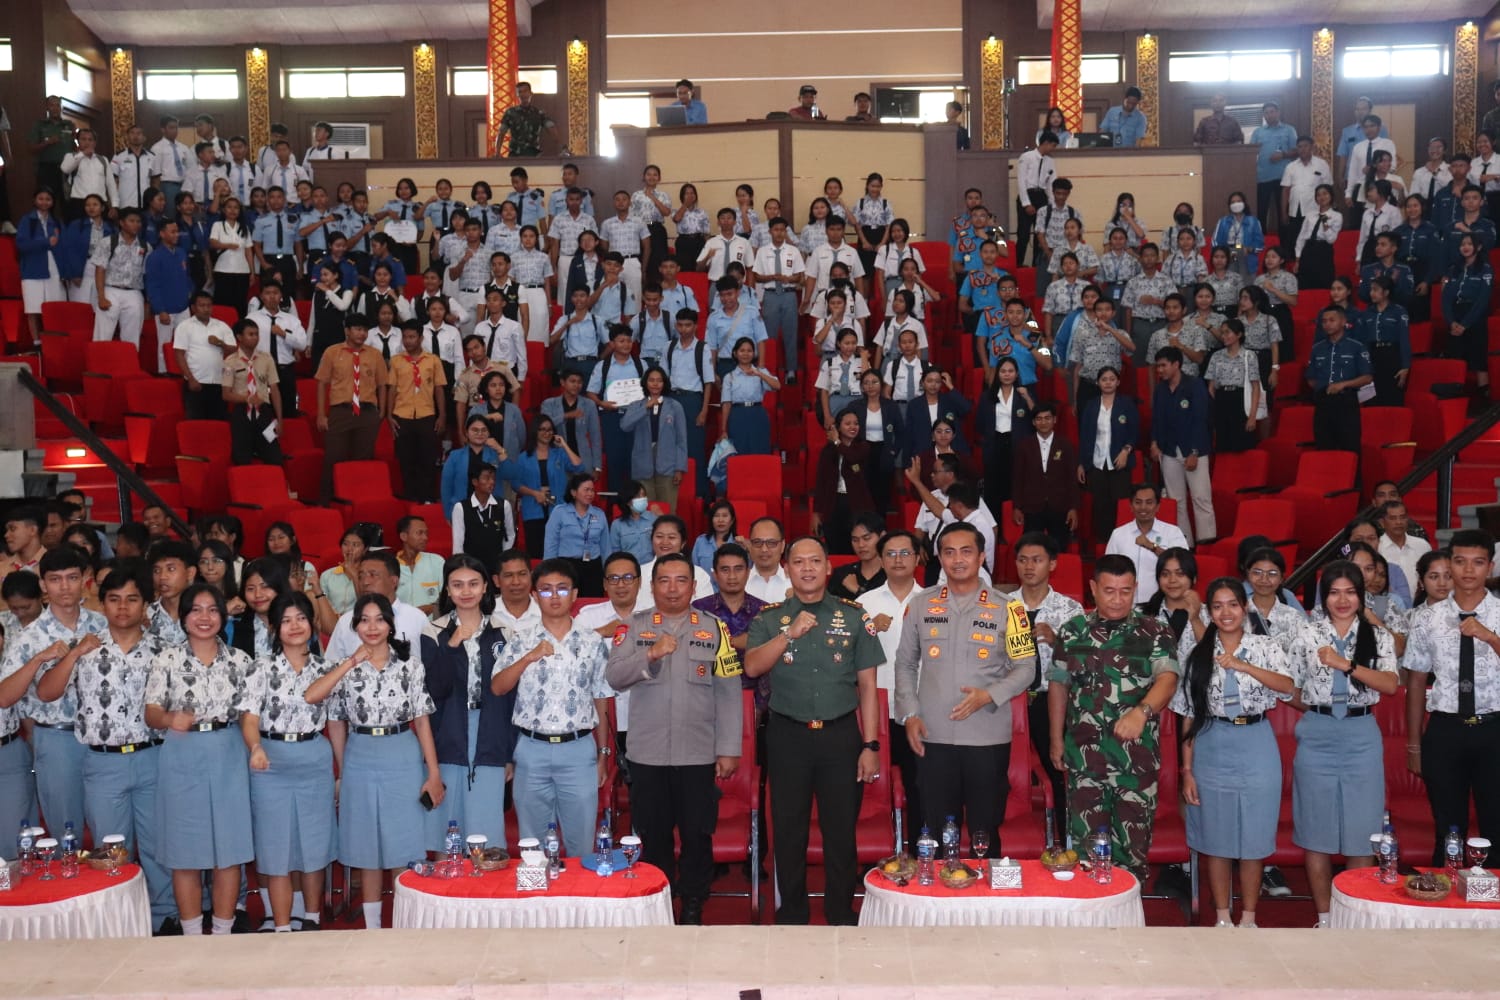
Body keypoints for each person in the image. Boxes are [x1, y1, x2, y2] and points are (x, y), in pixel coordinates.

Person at [745, 536, 882, 925]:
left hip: (841, 736)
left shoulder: (854, 616)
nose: (806, 568)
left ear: (827, 568)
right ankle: (792, 912)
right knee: (788, 830)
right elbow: (753, 667)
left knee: (841, 831)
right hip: (788, 736)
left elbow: (869, 687)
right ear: (787, 568)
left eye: (814, 561)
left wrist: (870, 744)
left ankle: (840, 911)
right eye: (798, 562)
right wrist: (789, 634)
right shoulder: (770, 618)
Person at [30, 561, 172, 931]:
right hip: (102, 763)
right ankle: (119, 923)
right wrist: (74, 655)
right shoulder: (84, 647)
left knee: (159, 846)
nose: (122, 608)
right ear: (102, 604)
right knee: (112, 850)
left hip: (153, 756)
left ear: (145, 605)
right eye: (114, 599)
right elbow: (46, 693)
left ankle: (164, 918)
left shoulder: (165, 650)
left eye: (131, 599)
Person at [606, 553, 740, 924]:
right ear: (652, 587)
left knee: (698, 836)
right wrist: (649, 653)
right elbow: (614, 676)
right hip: (647, 754)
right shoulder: (633, 627)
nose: (673, 588)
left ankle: (694, 905)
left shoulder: (714, 629)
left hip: (697, 753)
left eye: (681, 580)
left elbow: (729, 691)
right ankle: (658, 904)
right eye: (664, 580)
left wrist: (728, 748)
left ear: (694, 587)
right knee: (654, 836)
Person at [896, 522, 1035, 856]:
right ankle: (941, 906)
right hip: (933, 735)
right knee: (936, 832)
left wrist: (989, 695)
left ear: (982, 556)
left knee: (985, 833)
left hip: (986, 739)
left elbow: (1027, 669)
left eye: (966, 551)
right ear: (939, 558)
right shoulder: (920, 605)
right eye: (949, 552)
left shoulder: (1010, 608)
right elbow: (905, 664)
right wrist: (910, 715)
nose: (957, 559)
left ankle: (985, 906)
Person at [305, 594, 440, 931]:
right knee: (366, 846)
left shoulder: (410, 665)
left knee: (402, 843)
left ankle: (404, 925)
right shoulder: (344, 668)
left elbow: (422, 721)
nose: (372, 627)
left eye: (380, 619)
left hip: (402, 753)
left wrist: (433, 772)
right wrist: (343, 769)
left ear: (391, 624)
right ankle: (373, 928)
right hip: (360, 754)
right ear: (355, 626)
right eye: (364, 620)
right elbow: (332, 718)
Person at [1048, 555, 1180, 882]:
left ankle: (1128, 925)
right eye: (1109, 591)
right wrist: (1055, 740)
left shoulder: (1155, 631)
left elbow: (1168, 680)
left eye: (1125, 591)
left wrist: (1142, 711)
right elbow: (1058, 685)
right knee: (1084, 852)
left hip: (1134, 763)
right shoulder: (1072, 631)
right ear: (1093, 589)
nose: (1117, 599)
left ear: (1136, 589)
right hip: (1084, 758)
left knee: (1131, 855)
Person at [1174, 577, 1295, 928]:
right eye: (1217, 606)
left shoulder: (1265, 646)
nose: (1226, 612)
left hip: (1256, 740)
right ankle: (1223, 918)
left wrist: (1243, 666)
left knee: (1254, 839)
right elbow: (1188, 716)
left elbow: (1287, 687)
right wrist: (1187, 770)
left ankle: (1249, 918)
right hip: (1212, 742)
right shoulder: (1197, 654)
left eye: (1233, 604)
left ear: (1245, 608)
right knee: (1217, 837)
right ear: (1209, 612)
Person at [1287, 560, 1399, 928]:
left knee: (1361, 834)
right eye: (1334, 592)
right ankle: (1324, 919)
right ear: (1324, 597)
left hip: (1360, 734)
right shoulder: (1307, 633)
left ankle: (1354, 920)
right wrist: (1319, 706)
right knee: (1316, 833)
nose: (1342, 599)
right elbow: (1291, 687)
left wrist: (1344, 664)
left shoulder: (1377, 635)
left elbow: (1389, 685)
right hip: (1318, 733)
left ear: (1361, 595)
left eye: (1350, 592)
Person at [142, 582, 253, 936]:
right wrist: (169, 719)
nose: (204, 617)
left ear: (223, 616)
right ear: (184, 616)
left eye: (212, 610)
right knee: (185, 850)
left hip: (228, 752)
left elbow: (251, 715)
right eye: (195, 610)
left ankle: (221, 935)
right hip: (182, 753)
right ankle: (191, 937)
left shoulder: (240, 661)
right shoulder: (166, 659)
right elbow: (151, 713)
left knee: (229, 849)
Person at [491, 559, 612, 856]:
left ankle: (578, 903)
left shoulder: (592, 641)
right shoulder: (520, 639)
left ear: (574, 595)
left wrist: (603, 753)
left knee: (581, 842)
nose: (554, 597)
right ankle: (538, 902)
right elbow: (498, 687)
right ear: (535, 596)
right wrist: (528, 658)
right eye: (545, 590)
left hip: (579, 747)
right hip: (532, 748)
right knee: (534, 845)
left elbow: (602, 697)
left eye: (562, 589)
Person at [1404, 529, 1500, 864]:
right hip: (1445, 730)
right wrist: (1414, 744)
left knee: (1496, 826)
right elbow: (1416, 681)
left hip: (1494, 729)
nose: (1468, 571)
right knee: (1448, 827)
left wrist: (1490, 637)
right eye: (1460, 562)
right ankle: (1445, 909)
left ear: (1490, 566)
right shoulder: (1426, 618)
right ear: (1451, 564)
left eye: (1478, 562)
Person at [0, 546, 106, 841]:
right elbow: (4, 697)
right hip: (56, 738)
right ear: (43, 585)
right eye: (55, 579)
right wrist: (38, 659)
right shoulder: (29, 636)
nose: (64, 586)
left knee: (108, 827)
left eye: (72, 577)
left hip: (102, 736)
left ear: (85, 579)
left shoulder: (103, 624)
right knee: (65, 830)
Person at [420, 554, 516, 859]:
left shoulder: (504, 633)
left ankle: (484, 899)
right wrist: (451, 647)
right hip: (448, 731)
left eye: (473, 584)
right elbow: (432, 691)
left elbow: (512, 698)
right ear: (447, 590)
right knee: (447, 829)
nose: (466, 591)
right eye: (457, 584)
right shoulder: (433, 632)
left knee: (486, 836)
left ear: (486, 587)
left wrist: (510, 753)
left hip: (491, 731)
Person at [315, 314, 389, 502]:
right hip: (341, 411)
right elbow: (322, 383)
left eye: (364, 330)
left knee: (363, 460)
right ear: (347, 331)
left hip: (367, 412)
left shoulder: (375, 354)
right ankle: (327, 502)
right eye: (357, 329)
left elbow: (382, 384)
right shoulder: (332, 352)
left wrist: (380, 412)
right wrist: (321, 415)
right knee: (333, 458)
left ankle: (359, 499)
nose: (361, 333)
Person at [1150, 347, 1216, 546]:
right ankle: (1184, 545)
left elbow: (1200, 420)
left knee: (1201, 499)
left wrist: (1194, 451)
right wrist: (1154, 442)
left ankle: (1206, 545)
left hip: (1194, 450)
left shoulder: (1195, 385)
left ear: (1176, 364)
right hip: (1169, 451)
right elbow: (1157, 419)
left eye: (1163, 365)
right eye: (1158, 366)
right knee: (1176, 501)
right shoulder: (1160, 389)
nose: (1159, 370)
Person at [1077, 368, 1139, 552]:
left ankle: (1123, 546)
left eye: (1112, 379)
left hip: (1119, 462)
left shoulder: (1126, 404)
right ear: (1098, 383)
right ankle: (1103, 547)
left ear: (1118, 382)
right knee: (1100, 506)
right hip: (1096, 462)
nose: (1108, 382)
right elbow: (1085, 436)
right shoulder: (1091, 405)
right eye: (1104, 379)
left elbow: (1134, 432)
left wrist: (1126, 450)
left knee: (1119, 505)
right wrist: (1082, 463)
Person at [619, 367, 688, 509]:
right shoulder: (636, 405)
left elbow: (681, 440)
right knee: (645, 510)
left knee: (667, 510)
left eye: (659, 381)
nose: (655, 384)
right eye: (651, 380)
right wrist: (645, 408)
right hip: (642, 465)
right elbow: (625, 426)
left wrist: (679, 468)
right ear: (645, 383)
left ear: (664, 383)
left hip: (668, 465)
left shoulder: (675, 406)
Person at [1012, 401, 1078, 548]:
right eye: (1039, 419)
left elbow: (1071, 479)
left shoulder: (1065, 445)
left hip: (1059, 507)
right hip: (1032, 507)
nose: (1043, 422)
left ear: (1055, 420)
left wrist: (1073, 508)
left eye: (1047, 418)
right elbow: (1018, 478)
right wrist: (1017, 506)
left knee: (1059, 550)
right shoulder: (1024, 446)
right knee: (1032, 548)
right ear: (1033, 422)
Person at [1306, 306, 1372, 453]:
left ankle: (1353, 476)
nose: (1327, 324)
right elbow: (1311, 378)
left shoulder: (1356, 347)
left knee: (1350, 447)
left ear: (1343, 321)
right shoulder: (1317, 348)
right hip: (1323, 402)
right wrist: (1323, 389)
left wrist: (1343, 385)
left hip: (1346, 401)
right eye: (1324, 321)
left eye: (1331, 320)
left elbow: (1367, 377)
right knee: (1323, 447)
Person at [543, 473, 609, 597]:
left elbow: (606, 547)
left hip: (593, 567)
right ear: (574, 492)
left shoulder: (599, 514)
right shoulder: (560, 512)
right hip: (567, 567)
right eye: (586, 490)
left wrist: (608, 571)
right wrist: (549, 571)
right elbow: (551, 543)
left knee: (592, 606)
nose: (590, 494)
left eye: (592, 490)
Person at [1204, 319, 1261, 454]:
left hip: (1241, 400)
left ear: (1239, 334)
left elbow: (1255, 387)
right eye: (1222, 333)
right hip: (1222, 399)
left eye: (1227, 332)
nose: (1224, 336)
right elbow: (1211, 387)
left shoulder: (1249, 356)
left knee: (1242, 444)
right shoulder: (1216, 356)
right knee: (1223, 445)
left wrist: (1252, 416)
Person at [496, 81, 563, 157]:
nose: (523, 94)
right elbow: (501, 133)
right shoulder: (510, 113)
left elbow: (552, 129)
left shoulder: (538, 113)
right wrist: (497, 152)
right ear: (517, 95)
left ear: (531, 93)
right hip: (515, 155)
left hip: (534, 154)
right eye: (520, 92)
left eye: (525, 91)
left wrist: (561, 148)